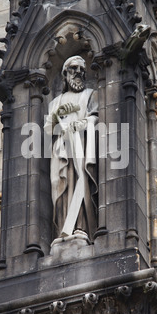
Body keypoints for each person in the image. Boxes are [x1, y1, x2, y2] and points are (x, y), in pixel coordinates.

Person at [44, 56, 98, 241]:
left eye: (82, 70)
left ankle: (80, 227)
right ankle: (62, 229)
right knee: (58, 184)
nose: (78, 73)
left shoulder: (90, 94)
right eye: (74, 69)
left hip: (81, 144)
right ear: (65, 73)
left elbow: (96, 117)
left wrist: (82, 123)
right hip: (61, 147)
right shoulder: (56, 102)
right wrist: (57, 114)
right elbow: (48, 128)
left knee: (79, 180)